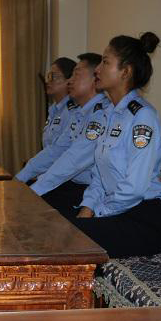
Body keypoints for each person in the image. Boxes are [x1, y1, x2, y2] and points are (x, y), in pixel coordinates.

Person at [69, 32, 161, 258]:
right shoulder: (109, 115)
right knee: (59, 225)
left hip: (143, 220)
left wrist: (99, 213)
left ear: (126, 71)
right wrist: (87, 209)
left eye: (105, 62)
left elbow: (135, 187)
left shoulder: (143, 117)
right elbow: (99, 176)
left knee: (66, 236)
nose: (97, 69)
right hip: (116, 211)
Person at [30, 53, 106, 217]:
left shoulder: (101, 115)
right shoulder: (80, 113)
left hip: (86, 189)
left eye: (76, 74)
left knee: (36, 211)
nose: (70, 81)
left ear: (95, 79)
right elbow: (55, 150)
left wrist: (34, 189)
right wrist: (24, 180)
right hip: (73, 183)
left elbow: (72, 160)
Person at [16, 57, 77, 183]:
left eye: (53, 76)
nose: (48, 81)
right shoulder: (54, 110)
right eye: (48, 76)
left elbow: (59, 151)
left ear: (69, 81)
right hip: (49, 175)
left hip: (65, 179)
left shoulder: (72, 112)